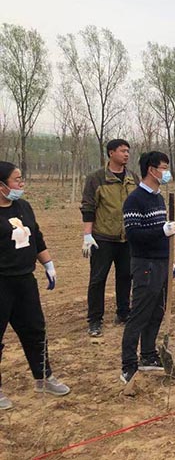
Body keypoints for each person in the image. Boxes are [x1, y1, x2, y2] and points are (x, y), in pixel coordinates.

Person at [0, 161, 70, 410]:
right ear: (1, 186)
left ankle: (44, 377)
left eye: (21, 178)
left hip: (24, 280)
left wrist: (48, 265)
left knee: (35, 330)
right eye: (16, 179)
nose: (21, 183)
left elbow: (36, 238)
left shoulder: (23, 207)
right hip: (2, 282)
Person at [120, 151, 175, 383]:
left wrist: (170, 259)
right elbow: (133, 235)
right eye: (163, 168)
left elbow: (164, 236)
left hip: (162, 262)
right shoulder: (135, 200)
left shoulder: (158, 198)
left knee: (157, 311)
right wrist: (161, 231)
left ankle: (148, 354)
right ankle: (128, 364)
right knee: (140, 313)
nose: (167, 172)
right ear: (152, 170)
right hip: (145, 264)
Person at [81, 139, 138, 337]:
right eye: (122, 151)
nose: (126, 154)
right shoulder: (96, 178)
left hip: (126, 238)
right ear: (111, 153)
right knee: (98, 280)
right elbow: (88, 207)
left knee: (126, 276)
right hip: (102, 238)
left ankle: (123, 313)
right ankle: (95, 320)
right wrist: (87, 235)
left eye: (128, 151)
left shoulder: (133, 178)